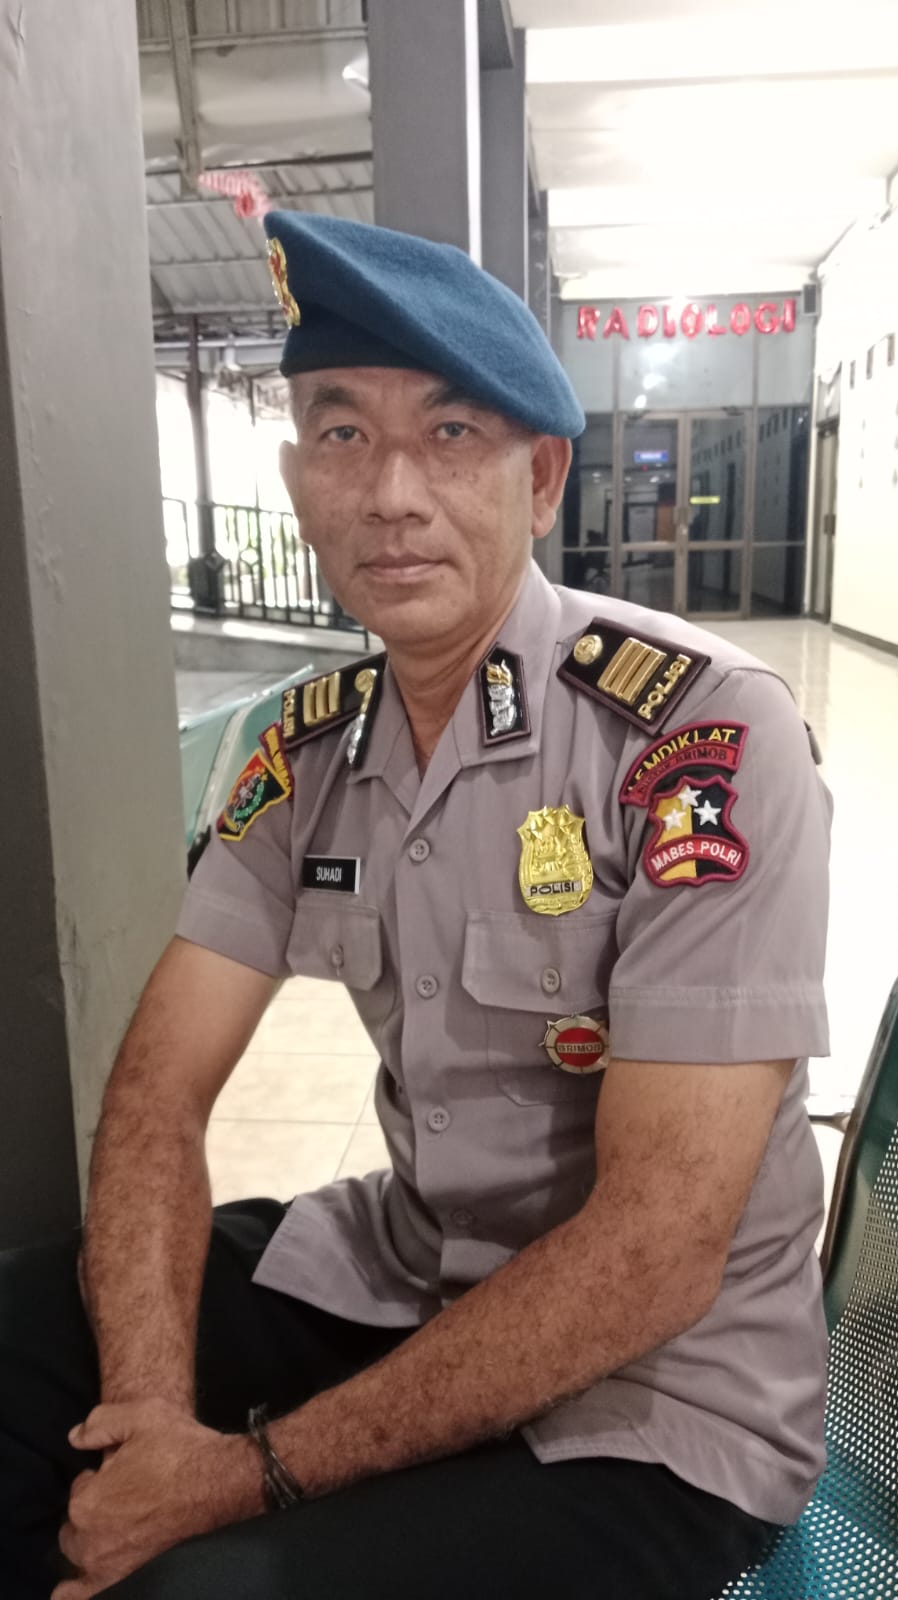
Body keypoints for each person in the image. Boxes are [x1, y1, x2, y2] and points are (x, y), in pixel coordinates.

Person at [0, 213, 832, 1600]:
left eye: (451, 434)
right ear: (297, 479)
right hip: (407, 1277)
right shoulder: (302, 754)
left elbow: (655, 1251)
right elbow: (159, 1093)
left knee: (204, 1587)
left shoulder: (699, 740)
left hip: (658, 1396)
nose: (391, 493)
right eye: (342, 434)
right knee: (24, 1348)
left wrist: (236, 1476)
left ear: (541, 478)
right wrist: (146, 1414)